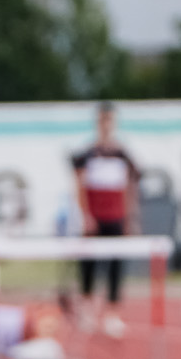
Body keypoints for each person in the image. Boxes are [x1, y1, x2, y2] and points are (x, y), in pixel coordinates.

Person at [70, 103, 138, 336]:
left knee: (116, 266)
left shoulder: (122, 153)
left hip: (116, 217)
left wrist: (129, 217)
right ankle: (87, 310)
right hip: (94, 217)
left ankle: (112, 314)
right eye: (103, 121)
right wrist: (86, 215)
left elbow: (129, 187)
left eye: (110, 120)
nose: (106, 125)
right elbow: (79, 186)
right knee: (89, 264)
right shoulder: (87, 153)